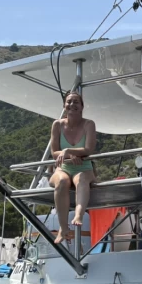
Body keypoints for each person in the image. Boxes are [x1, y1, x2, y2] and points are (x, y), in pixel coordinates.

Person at [49, 91, 97, 244]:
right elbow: (54, 152)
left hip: (83, 167)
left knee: (82, 179)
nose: (72, 104)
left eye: (76, 102)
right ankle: (63, 228)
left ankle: (78, 214)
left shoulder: (89, 124)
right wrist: (70, 155)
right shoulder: (57, 125)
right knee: (62, 182)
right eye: (69, 101)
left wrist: (68, 150)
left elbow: (88, 149)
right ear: (64, 106)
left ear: (82, 106)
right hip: (63, 167)